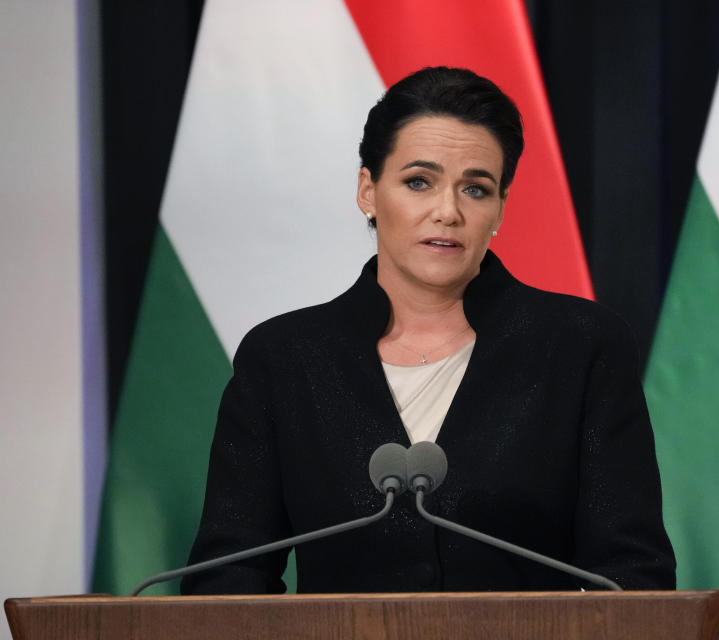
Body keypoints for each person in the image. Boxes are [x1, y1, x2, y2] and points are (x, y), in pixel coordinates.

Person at [181, 66, 675, 594]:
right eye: (419, 182)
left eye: (476, 189)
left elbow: (631, 577)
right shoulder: (283, 360)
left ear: (500, 208)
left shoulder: (580, 348)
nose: (448, 212)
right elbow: (227, 580)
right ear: (368, 190)